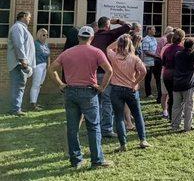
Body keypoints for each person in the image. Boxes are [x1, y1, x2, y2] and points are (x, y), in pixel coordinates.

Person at [48, 26, 112, 168]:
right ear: (91, 37)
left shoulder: (67, 52)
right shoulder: (96, 52)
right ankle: (97, 160)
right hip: (89, 92)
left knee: (72, 128)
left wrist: (60, 84)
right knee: (93, 127)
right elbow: (109, 70)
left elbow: (52, 69)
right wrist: (102, 87)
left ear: (78, 37)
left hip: (70, 92)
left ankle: (76, 160)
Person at [107, 34, 150, 151]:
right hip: (130, 89)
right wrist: (135, 82)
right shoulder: (135, 58)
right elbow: (143, 71)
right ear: (130, 45)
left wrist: (120, 39)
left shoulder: (114, 56)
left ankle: (123, 144)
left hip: (116, 89)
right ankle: (143, 140)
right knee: (137, 114)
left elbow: (108, 48)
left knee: (119, 117)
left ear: (119, 45)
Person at [91, 16, 131, 138]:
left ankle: (94, 127)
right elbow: (129, 26)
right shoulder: (108, 34)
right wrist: (118, 21)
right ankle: (107, 129)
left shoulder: (93, 37)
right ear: (108, 25)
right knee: (107, 100)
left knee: (94, 101)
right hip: (105, 72)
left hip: (92, 73)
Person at [172, 38, 194, 132]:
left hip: (177, 83)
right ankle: (187, 126)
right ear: (192, 46)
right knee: (189, 106)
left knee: (176, 106)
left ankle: (175, 126)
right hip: (188, 84)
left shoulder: (178, 54)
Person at [7, 11, 35, 116]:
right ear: (23, 17)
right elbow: (18, 44)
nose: (29, 19)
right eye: (29, 17)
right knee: (18, 86)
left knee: (19, 86)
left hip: (20, 63)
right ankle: (15, 109)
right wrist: (23, 60)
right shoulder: (17, 27)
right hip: (18, 63)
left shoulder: (21, 28)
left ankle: (16, 108)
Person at [162, 29, 185, 120]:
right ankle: (178, 117)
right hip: (177, 75)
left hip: (166, 75)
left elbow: (163, 63)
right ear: (182, 39)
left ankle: (171, 117)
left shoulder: (167, 49)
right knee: (179, 98)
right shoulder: (182, 49)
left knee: (171, 96)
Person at [30, 28, 50, 110]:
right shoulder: (35, 44)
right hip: (37, 65)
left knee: (40, 85)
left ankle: (36, 102)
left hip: (44, 66)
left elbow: (48, 55)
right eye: (43, 35)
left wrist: (48, 65)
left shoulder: (46, 44)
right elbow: (31, 55)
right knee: (36, 84)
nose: (45, 36)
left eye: (47, 35)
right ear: (39, 35)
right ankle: (33, 104)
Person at [154, 26, 174, 106]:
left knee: (161, 82)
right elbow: (164, 53)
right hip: (160, 60)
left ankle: (161, 98)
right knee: (161, 82)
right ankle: (160, 98)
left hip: (160, 60)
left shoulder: (163, 39)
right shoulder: (165, 40)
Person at [159, 31, 174, 118]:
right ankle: (168, 111)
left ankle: (165, 111)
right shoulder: (171, 48)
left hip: (164, 72)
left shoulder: (164, 48)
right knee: (169, 94)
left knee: (164, 94)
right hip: (170, 73)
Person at [141, 26, 158, 98]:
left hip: (155, 62)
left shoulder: (154, 39)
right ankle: (148, 93)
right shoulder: (146, 39)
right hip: (148, 62)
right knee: (148, 78)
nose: (155, 31)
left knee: (157, 77)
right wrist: (156, 56)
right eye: (153, 29)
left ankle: (158, 91)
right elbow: (145, 51)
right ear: (149, 30)